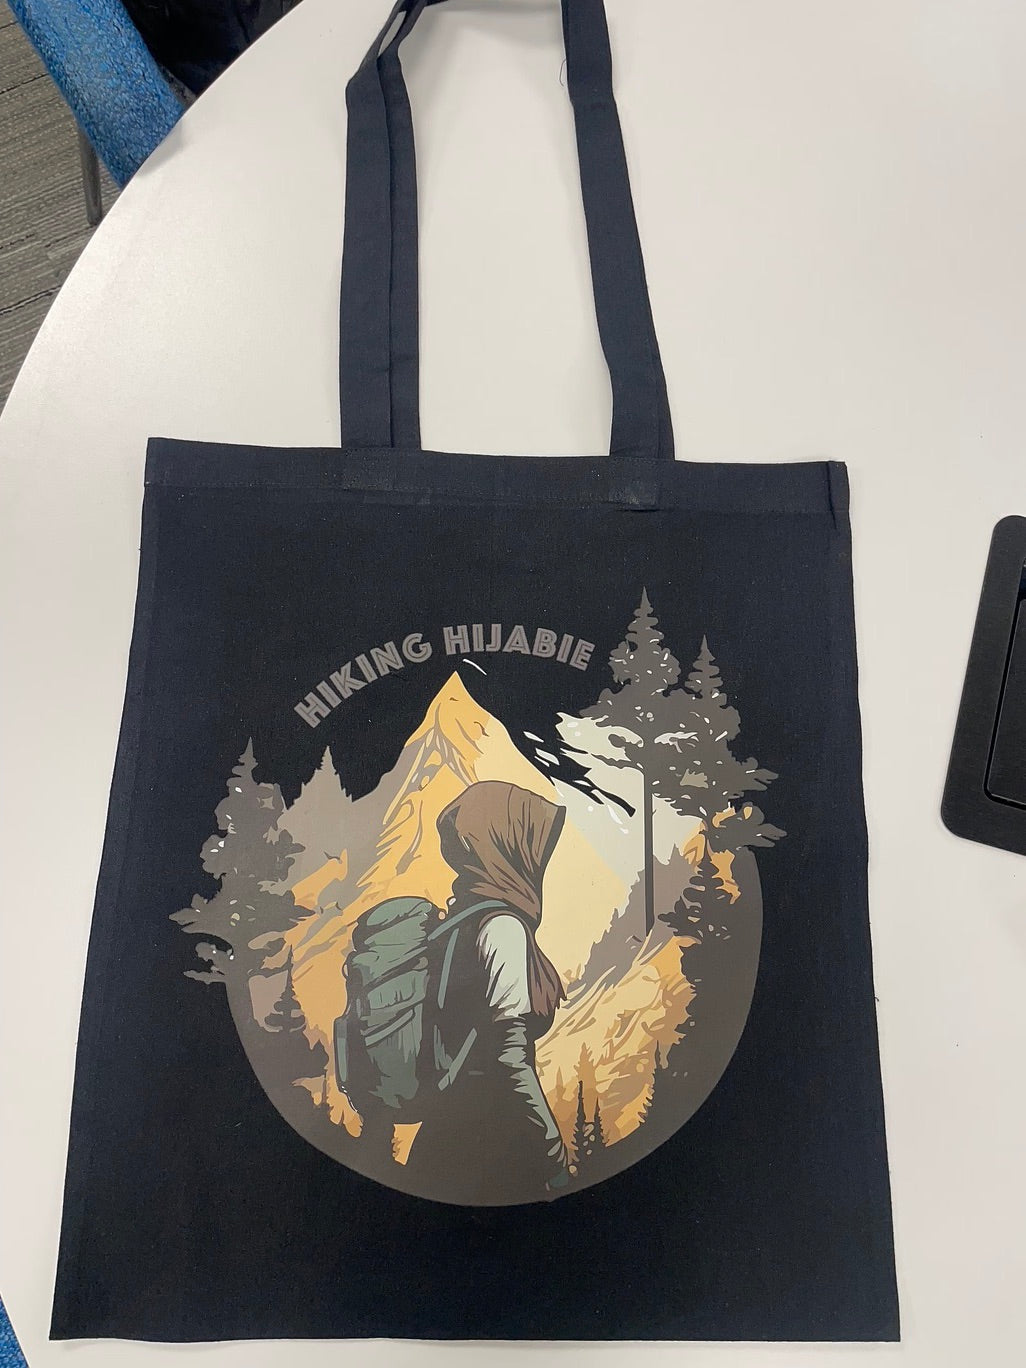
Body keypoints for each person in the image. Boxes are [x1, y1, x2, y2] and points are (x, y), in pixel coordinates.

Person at [405, 780, 571, 1204]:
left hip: (442, 1141)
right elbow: (508, 1058)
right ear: (507, 847)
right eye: (531, 844)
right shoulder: (502, 928)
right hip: (492, 1148)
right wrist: (553, 1153)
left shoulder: (452, 924)